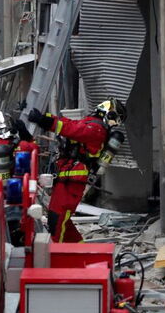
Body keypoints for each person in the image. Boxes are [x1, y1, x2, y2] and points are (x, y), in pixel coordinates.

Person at [27, 99, 124, 243]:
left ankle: (56, 253)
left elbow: (71, 129)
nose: (113, 124)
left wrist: (44, 121)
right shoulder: (90, 123)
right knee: (63, 222)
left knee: (57, 220)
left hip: (72, 181)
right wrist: (45, 117)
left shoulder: (97, 129)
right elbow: (69, 123)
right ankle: (82, 250)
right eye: (114, 120)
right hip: (67, 178)